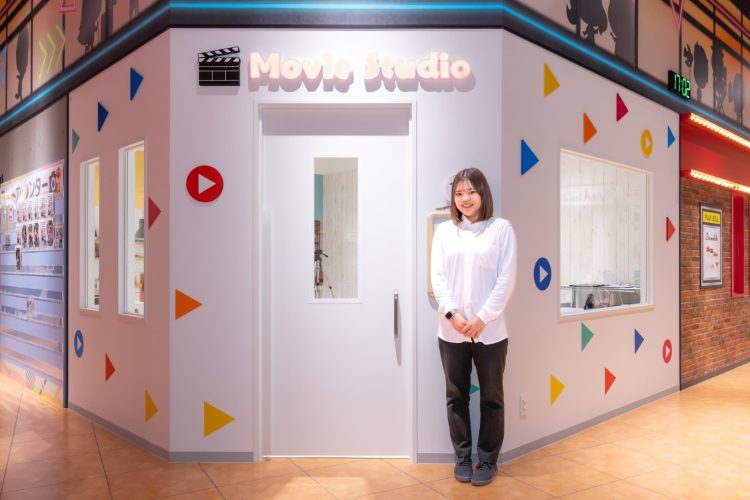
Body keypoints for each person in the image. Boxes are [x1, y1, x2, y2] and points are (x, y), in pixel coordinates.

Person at [430, 168, 517, 487]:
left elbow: (506, 280)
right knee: (456, 397)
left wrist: (482, 318)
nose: (465, 199)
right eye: (458, 193)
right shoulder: (445, 232)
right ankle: (463, 457)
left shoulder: (501, 230)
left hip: (490, 333)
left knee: (492, 398)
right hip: (451, 331)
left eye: (471, 192)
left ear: (483, 194)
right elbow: (438, 278)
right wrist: (452, 315)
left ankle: (488, 461)